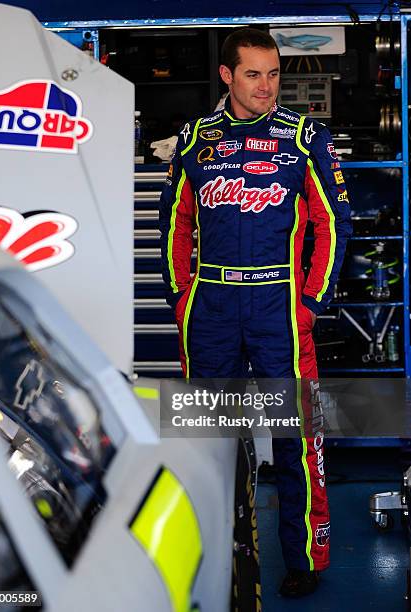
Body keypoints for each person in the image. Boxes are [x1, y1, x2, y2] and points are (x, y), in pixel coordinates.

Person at [159, 27, 352, 597]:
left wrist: (312, 301)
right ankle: (208, 554)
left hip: (280, 306)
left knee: (297, 435)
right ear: (227, 75)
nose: (267, 86)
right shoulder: (195, 137)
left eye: (273, 73)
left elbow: (334, 224)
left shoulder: (304, 137)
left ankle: (304, 559)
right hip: (212, 307)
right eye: (253, 74)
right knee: (207, 439)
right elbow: (175, 225)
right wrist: (180, 298)